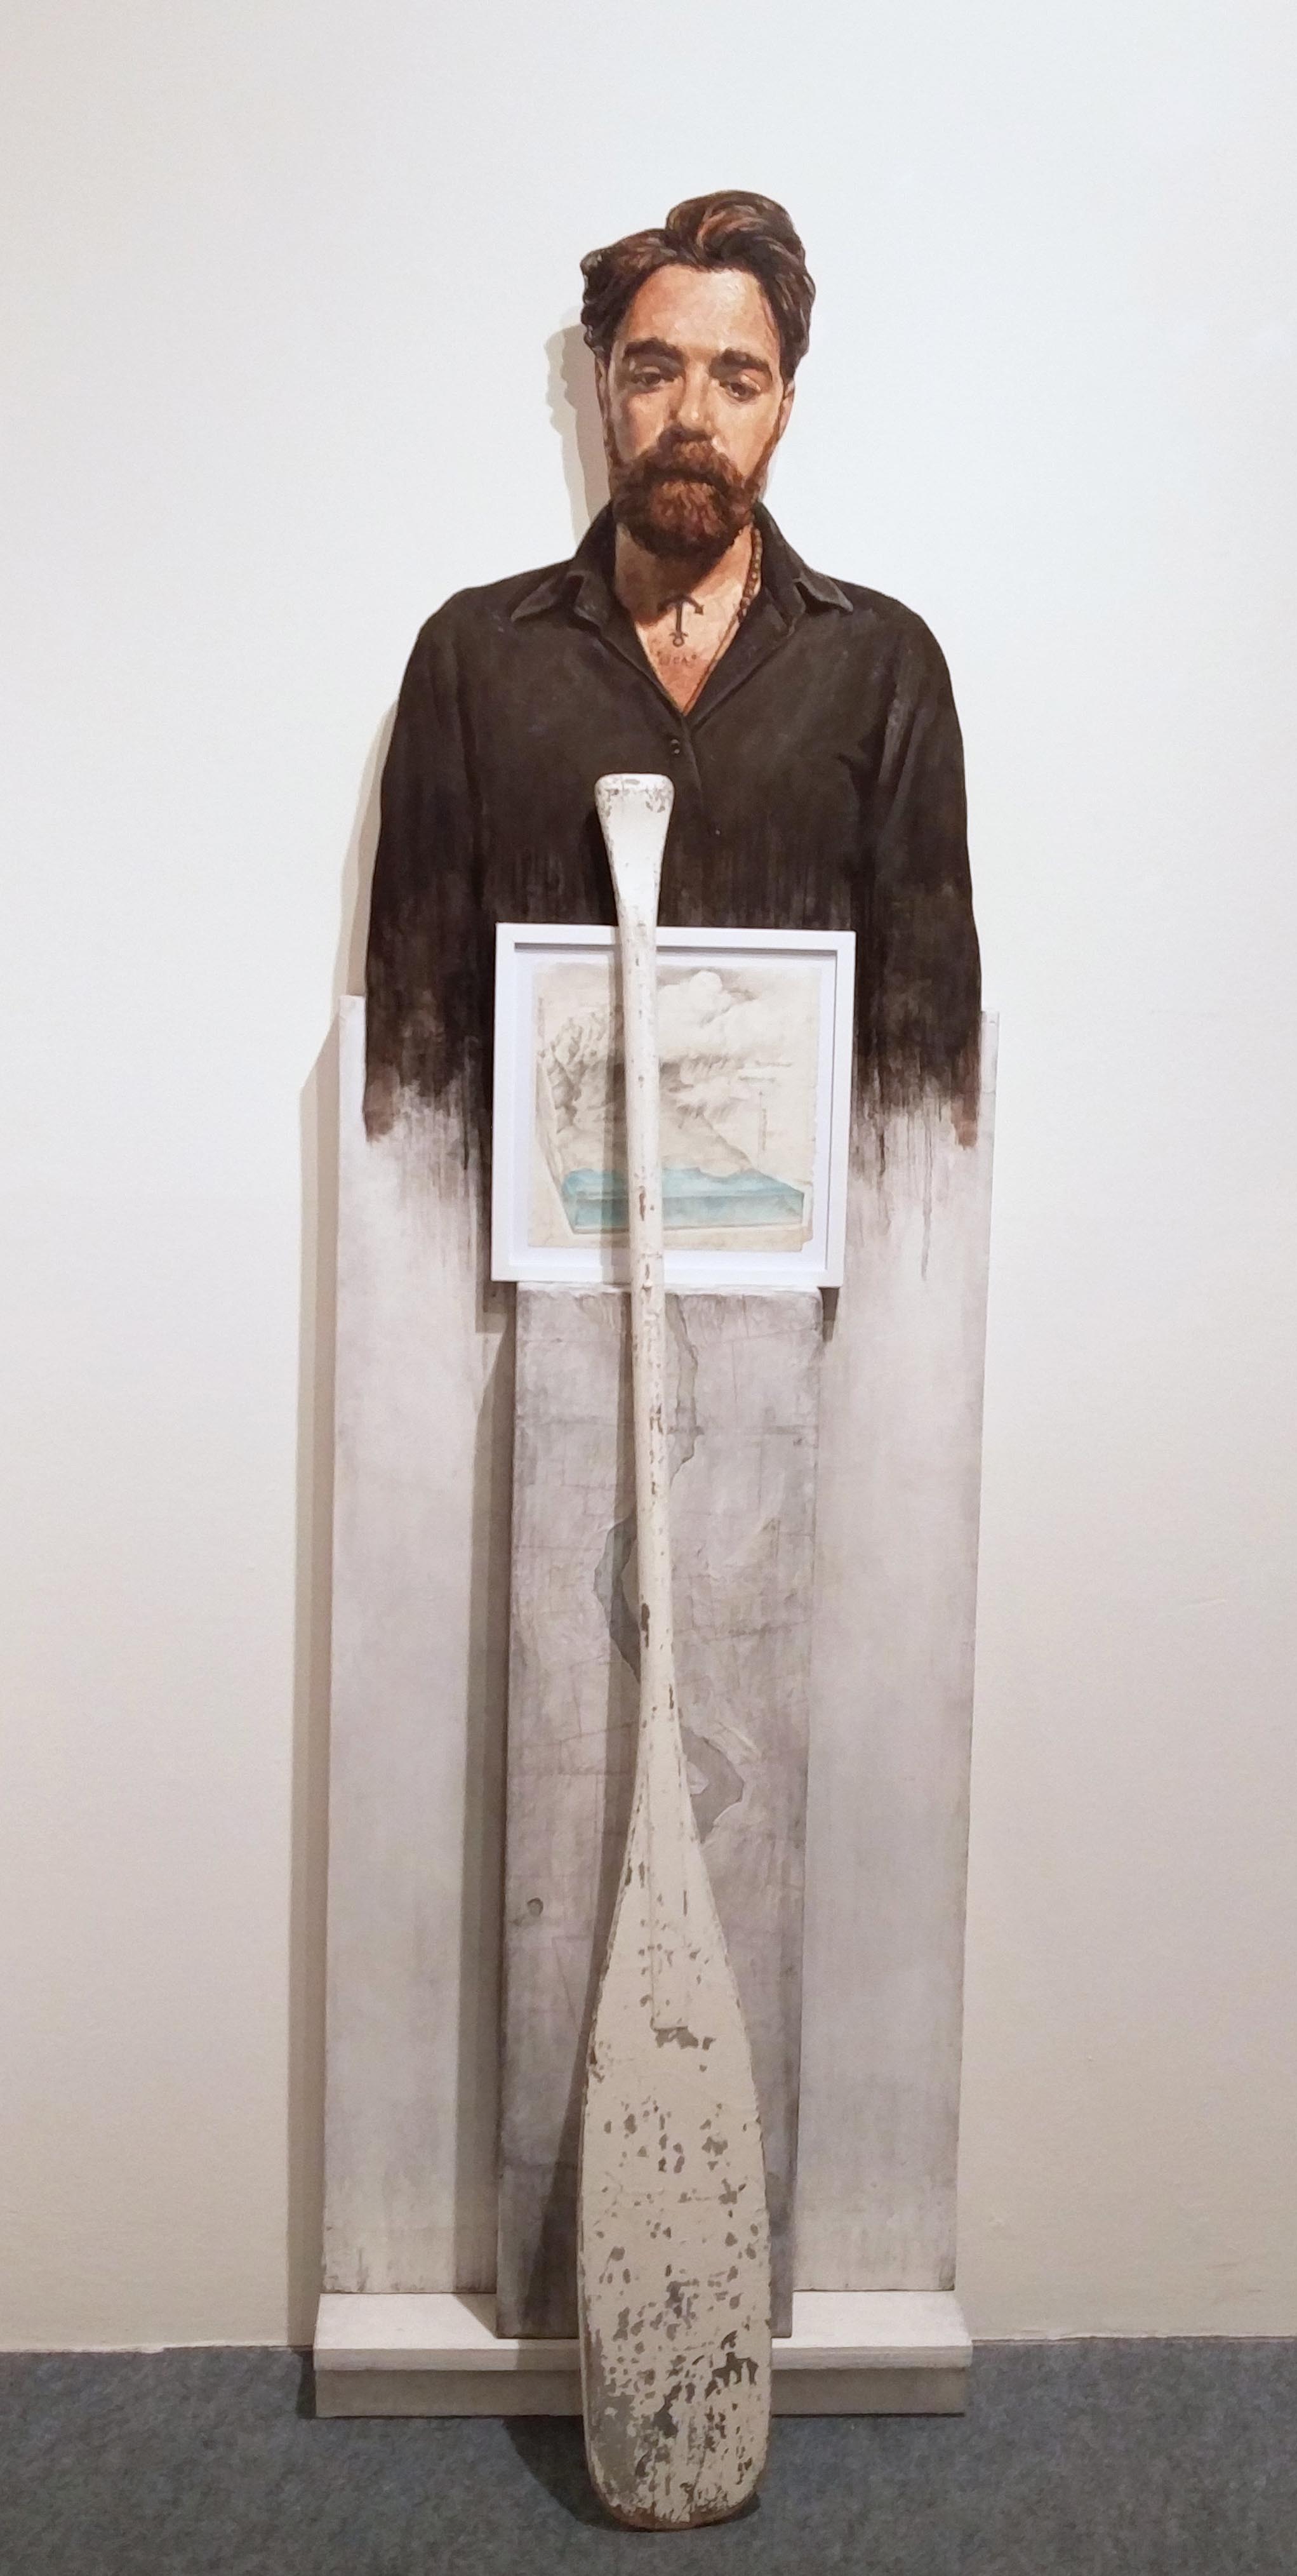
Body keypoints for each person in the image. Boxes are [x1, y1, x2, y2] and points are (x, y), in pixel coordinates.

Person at [364, 190, 980, 1155]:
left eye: (738, 381)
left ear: (784, 407)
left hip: (804, 1240)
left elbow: (928, 1070)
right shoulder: (471, 656)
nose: (692, 417)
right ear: (603, 384)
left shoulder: (885, 667)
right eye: (654, 373)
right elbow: (411, 1056)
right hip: (526, 1242)